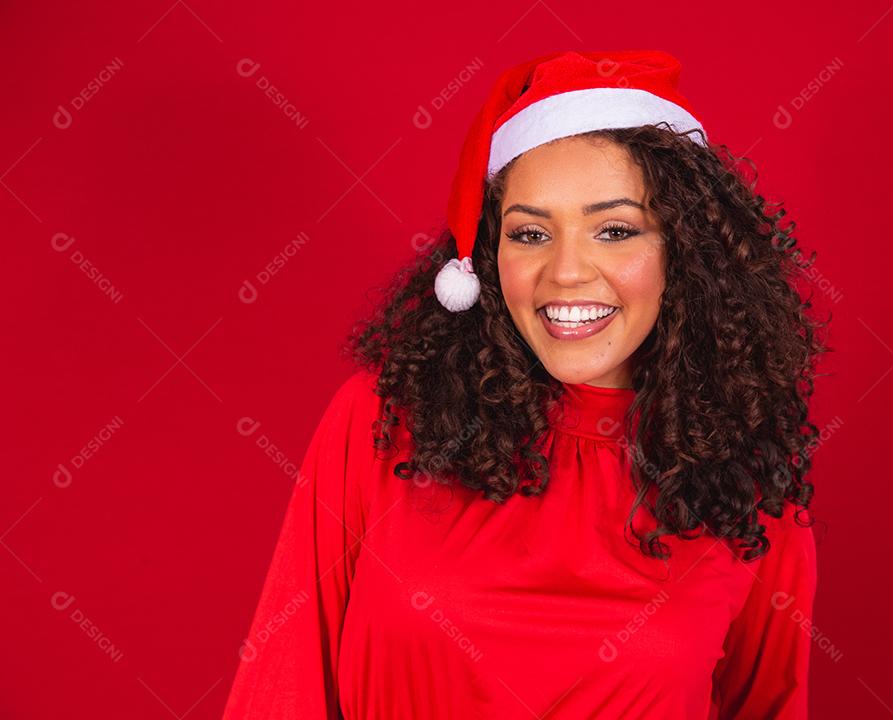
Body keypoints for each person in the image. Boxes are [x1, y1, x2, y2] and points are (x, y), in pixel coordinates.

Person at [222, 49, 828, 719]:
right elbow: (282, 688)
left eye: (615, 230)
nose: (566, 271)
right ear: (488, 257)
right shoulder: (380, 421)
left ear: (683, 253)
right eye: (531, 233)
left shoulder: (746, 479)